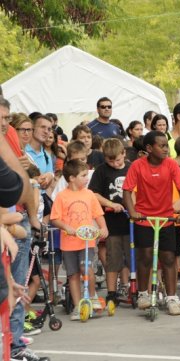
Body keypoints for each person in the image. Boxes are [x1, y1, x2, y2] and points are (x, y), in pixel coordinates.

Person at [0, 98, 49, 361]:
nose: (5, 123)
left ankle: (14, 345)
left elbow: (28, 181)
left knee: (14, 287)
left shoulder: (7, 136)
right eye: (24, 129)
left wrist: (31, 218)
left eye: (8, 117)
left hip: (15, 220)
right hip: (8, 221)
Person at [122, 131, 180, 316]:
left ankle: (172, 297)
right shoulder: (137, 165)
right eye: (162, 145)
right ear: (149, 148)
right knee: (144, 258)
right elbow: (126, 191)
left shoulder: (171, 165)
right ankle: (143, 294)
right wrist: (133, 212)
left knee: (168, 259)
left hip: (166, 218)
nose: (166, 149)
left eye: (167, 145)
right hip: (144, 219)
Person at [50, 159, 108, 320]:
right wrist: (65, 227)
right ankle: (78, 306)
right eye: (83, 175)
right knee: (73, 275)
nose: (87, 178)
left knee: (86, 269)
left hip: (86, 241)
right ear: (71, 178)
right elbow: (55, 218)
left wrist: (103, 228)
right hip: (68, 244)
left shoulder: (89, 194)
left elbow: (98, 214)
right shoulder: (62, 196)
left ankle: (93, 296)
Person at [88, 138, 132, 306]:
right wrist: (110, 204)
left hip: (131, 222)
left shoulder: (132, 168)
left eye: (118, 160)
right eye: (110, 160)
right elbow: (94, 194)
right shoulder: (101, 171)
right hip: (112, 224)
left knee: (131, 257)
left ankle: (128, 286)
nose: (114, 164)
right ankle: (112, 292)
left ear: (124, 154)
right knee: (112, 259)